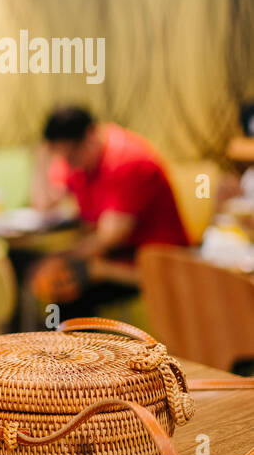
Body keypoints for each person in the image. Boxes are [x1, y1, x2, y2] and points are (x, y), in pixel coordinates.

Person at [26, 107, 189, 315]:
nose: (68, 164)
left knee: (69, 287)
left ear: (90, 136)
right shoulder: (76, 157)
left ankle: (80, 347)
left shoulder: (127, 159)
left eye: (70, 157)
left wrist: (62, 257)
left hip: (155, 263)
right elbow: (42, 204)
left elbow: (109, 237)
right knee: (39, 272)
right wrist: (43, 157)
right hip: (116, 257)